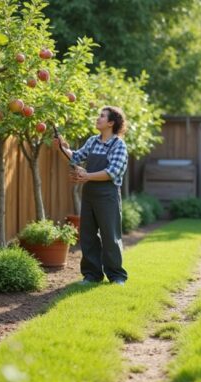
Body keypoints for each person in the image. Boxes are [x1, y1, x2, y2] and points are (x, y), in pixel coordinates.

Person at [54, 106, 129, 285]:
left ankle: (117, 275)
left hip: (108, 195)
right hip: (89, 194)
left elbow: (113, 171)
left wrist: (87, 176)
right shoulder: (93, 141)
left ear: (111, 123)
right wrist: (62, 148)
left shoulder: (118, 145)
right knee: (87, 235)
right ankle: (92, 275)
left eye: (102, 116)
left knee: (110, 236)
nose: (98, 118)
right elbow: (76, 157)